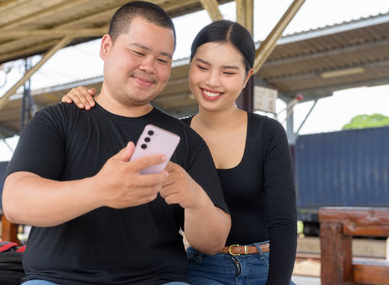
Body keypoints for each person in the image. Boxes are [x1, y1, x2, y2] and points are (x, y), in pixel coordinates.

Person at [3, 1, 231, 285]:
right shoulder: (57, 120)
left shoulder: (185, 140)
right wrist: (98, 190)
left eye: (163, 60)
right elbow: (15, 202)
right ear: (106, 48)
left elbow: (212, 242)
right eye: (138, 52)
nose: (149, 67)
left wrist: (194, 199)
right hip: (59, 279)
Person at [63, 20, 297, 285]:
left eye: (228, 72)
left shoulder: (268, 132)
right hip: (203, 267)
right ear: (189, 66)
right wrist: (85, 104)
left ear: (247, 76)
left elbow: (284, 224)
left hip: (266, 265)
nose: (212, 81)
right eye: (202, 67)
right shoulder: (170, 135)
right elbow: (118, 165)